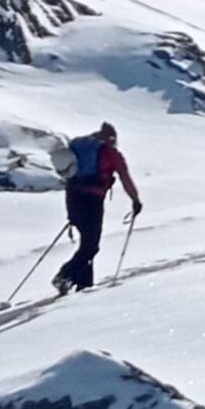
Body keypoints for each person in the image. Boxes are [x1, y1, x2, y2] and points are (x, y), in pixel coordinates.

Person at [54, 121, 141, 293]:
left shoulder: (78, 146)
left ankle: (84, 285)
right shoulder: (110, 152)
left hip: (73, 197)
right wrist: (135, 200)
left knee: (87, 242)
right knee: (91, 245)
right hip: (93, 200)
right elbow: (124, 177)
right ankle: (64, 276)